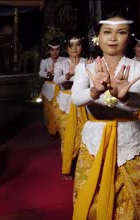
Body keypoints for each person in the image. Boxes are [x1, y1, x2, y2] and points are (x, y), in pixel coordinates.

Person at [69, 11, 140, 220]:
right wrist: (95, 90)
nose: (113, 38)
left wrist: (124, 94)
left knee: (133, 201)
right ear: (98, 37)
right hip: (95, 141)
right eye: (107, 32)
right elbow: (76, 98)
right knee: (91, 200)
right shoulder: (88, 67)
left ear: (129, 37)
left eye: (121, 32)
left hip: (130, 143)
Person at [53, 35, 88, 179]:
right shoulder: (61, 64)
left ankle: (80, 165)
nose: (74, 49)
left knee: (82, 135)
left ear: (82, 47)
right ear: (67, 49)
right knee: (68, 136)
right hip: (64, 104)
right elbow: (56, 80)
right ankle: (68, 167)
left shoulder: (87, 63)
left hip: (83, 103)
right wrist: (69, 75)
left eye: (77, 45)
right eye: (71, 45)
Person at [39, 39, 68, 136]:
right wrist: (48, 73)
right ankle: (52, 131)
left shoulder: (64, 60)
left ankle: (62, 129)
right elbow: (41, 73)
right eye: (52, 50)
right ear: (48, 51)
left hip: (61, 86)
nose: (55, 52)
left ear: (60, 50)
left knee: (61, 108)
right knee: (49, 110)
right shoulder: (45, 61)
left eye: (57, 50)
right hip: (49, 88)